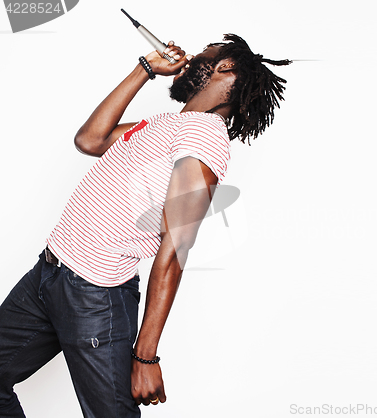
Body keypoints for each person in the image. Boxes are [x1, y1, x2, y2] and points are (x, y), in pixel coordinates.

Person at [0, 34, 290, 417]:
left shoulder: (204, 138)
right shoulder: (167, 123)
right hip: (48, 273)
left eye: (205, 53)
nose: (192, 56)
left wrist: (146, 357)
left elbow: (175, 248)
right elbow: (90, 140)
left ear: (226, 68)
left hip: (95, 294)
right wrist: (145, 69)